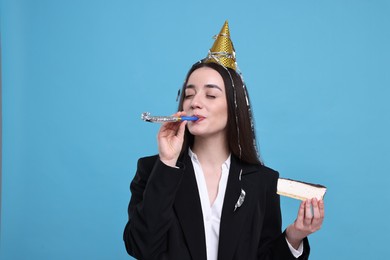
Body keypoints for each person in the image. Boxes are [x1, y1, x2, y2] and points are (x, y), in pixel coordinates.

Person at [123, 21, 324, 260]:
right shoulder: (153, 171)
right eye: (189, 94)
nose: (195, 102)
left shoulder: (262, 181)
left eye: (210, 94)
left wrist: (294, 236)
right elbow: (142, 248)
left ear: (234, 107)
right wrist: (167, 162)